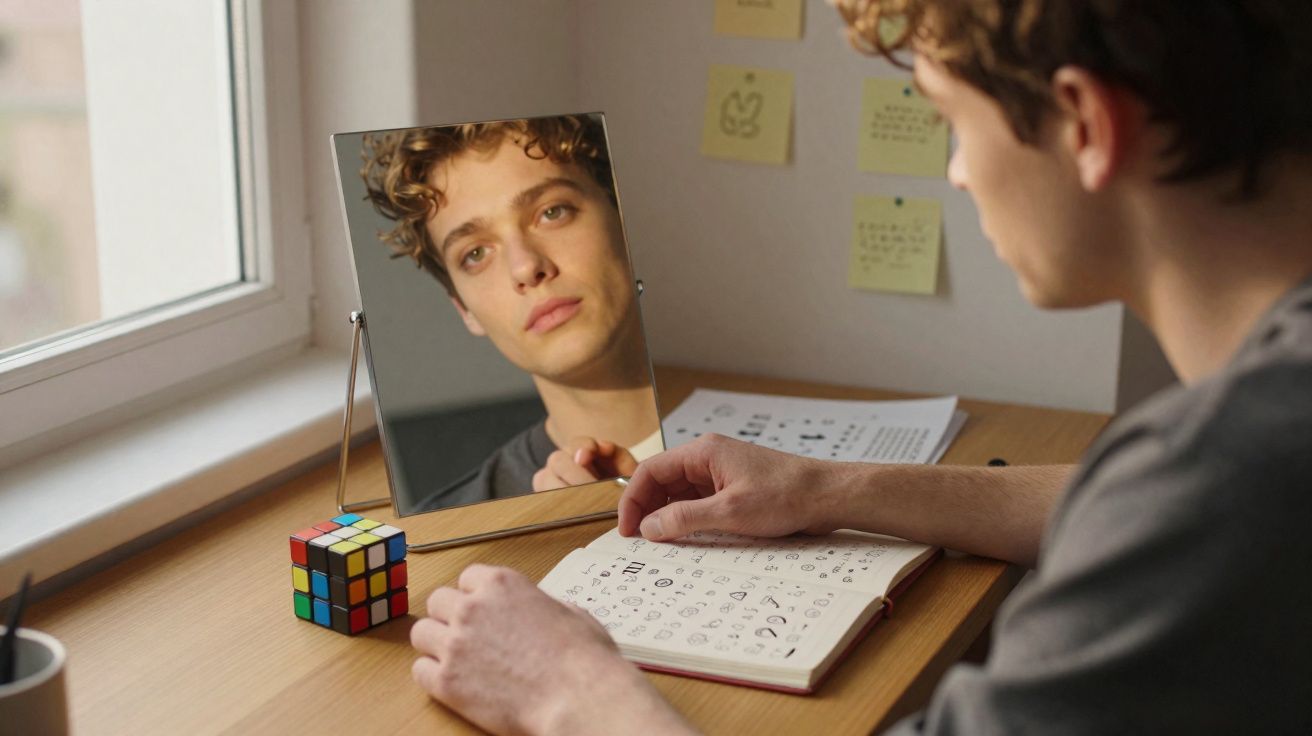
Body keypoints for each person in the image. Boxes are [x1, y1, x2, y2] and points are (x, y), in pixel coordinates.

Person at [407, 1, 1312, 733]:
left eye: (948, 118)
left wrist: (571, 693)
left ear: (1084, 122)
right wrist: (833, 487)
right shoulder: (1259, 423)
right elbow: (1140, 504)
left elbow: (1186, 510)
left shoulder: (1236, 478)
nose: (957, 173)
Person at [362, 115, 661, 504]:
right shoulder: (465, 523)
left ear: (623, 224)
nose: (526, 267)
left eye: (552, 212)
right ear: (463, 309)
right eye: (475, 253)